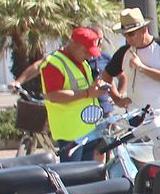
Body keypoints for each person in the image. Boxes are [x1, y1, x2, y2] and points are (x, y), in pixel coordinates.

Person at [41, 28, 113, 161]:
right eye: (86, 51)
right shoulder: (54, 63)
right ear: (73, 45)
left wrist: (96, 87)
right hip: (70, 135)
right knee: (73, 177)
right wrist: (87, 93)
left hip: (88, 130)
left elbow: (85, 88)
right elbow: (53, 96)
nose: (89, 56)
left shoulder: (82, 62)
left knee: (88, 175)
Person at [103, 8, 160, 114]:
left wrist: (141, 67)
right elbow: (106, 76)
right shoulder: (124, 52)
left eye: (131, 34)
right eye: (125, 35)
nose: (128, 39)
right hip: (134, 118)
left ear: (144, 30)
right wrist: (117, 100)